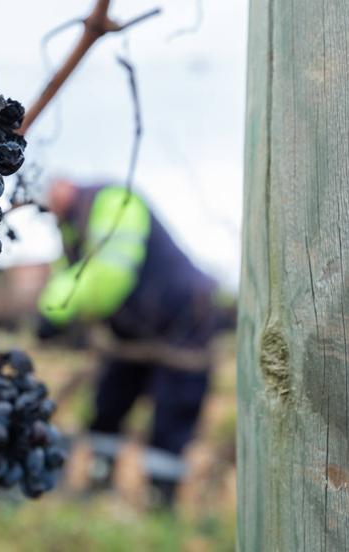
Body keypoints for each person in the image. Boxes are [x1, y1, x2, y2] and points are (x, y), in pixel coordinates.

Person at [37, 178, 226, 506]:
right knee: (109, 402)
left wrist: (55, 310)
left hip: (182, 321)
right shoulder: (70, 224)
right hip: (134, 328)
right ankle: (99, 483)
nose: (49, 207)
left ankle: (160, 502)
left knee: (173, 414)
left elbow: (110, 276)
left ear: (66, 188)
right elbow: (71, 270)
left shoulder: (113, 201)